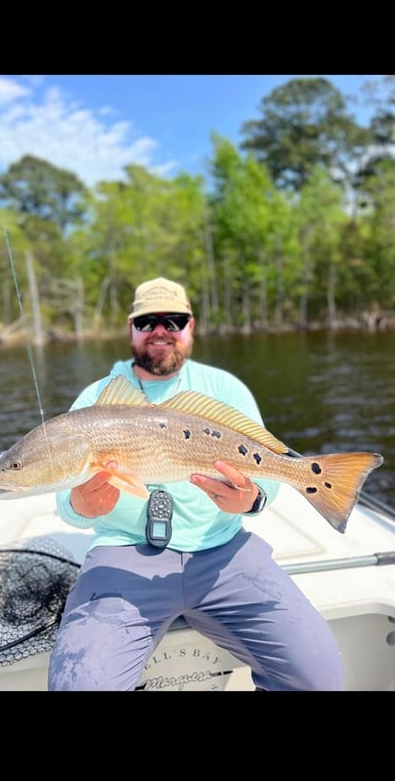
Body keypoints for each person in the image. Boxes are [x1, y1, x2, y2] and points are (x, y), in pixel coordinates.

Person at [48, 276, 345, 692]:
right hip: (123, 557)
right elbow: (65, 501)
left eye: (174, 320)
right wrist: (81, 505)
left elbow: (268, 466)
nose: (161, 331)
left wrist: (252, 499)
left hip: (224, 552)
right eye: (147, 321)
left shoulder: (224, 389)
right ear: (130, 329)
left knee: (319, 677)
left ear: (191, 327)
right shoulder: (96, 400)